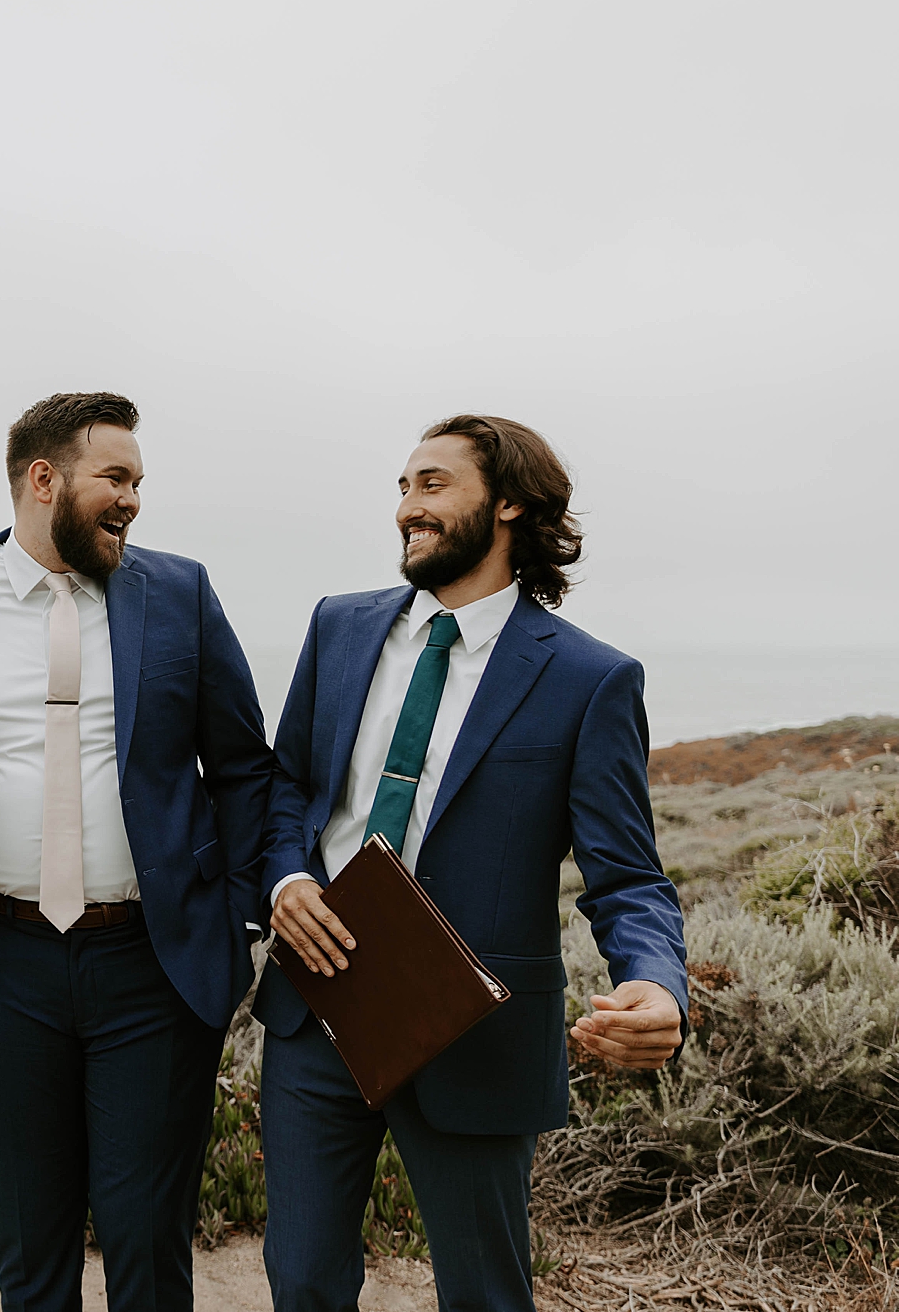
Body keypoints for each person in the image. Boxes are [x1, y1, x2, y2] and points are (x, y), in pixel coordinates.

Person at [259, 415, 689, 1312]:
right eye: (404, 487)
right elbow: (287, 786)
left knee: (485, 1295)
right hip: (317, 1004)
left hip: (472, 1026)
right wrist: (288, 876)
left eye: (432, 485)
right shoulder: (339, 627)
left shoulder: (589, 678)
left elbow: (628, 874)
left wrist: (657, 981)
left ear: (508, 504)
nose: (407, 507)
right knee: (300, 1280)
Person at [0, 392, 274, 1311]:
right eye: (117, 477)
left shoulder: (179, 591)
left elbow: (242, 767)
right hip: (0, 958)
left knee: (148, 1240)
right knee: (31, 1242)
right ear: (43, 478)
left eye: (139, 480)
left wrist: (239, 918)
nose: (134, 498)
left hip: (154, 960)